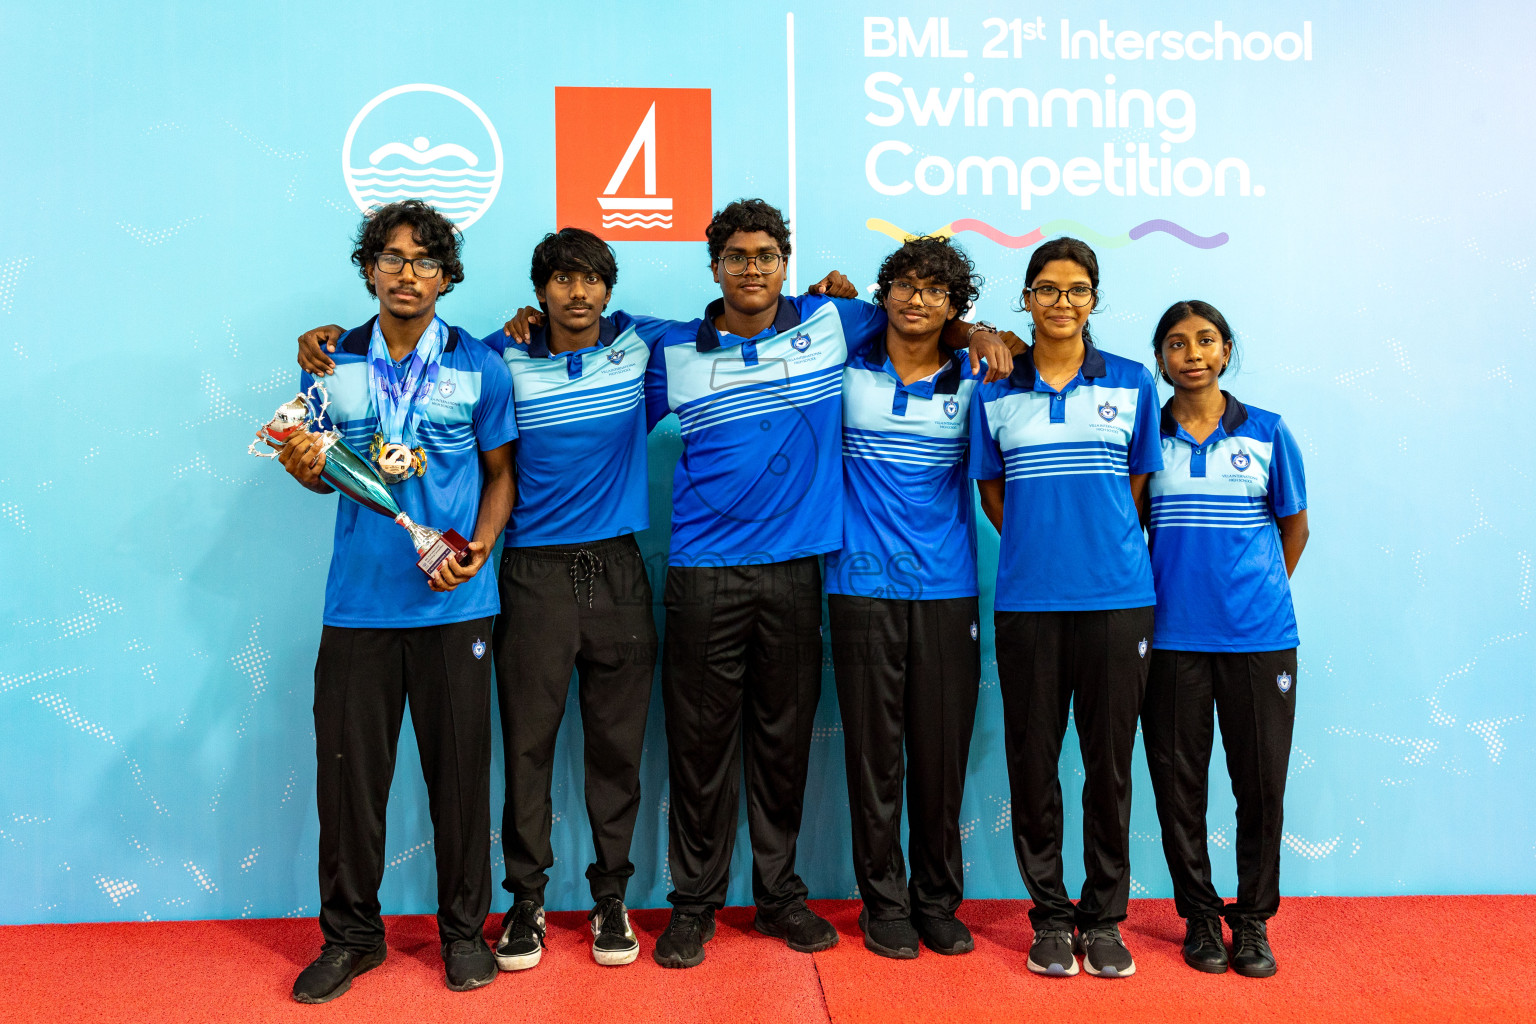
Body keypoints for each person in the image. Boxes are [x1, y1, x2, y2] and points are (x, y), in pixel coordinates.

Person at [644, 199, 1015, 969]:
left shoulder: (830, 323)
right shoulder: (666, 347)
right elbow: (574, 347)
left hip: (799, 575)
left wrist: (979, 331)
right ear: (714, 265)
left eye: (766, 255)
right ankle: (694, 905)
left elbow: (922, 319)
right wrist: (521, 325)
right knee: (701, 748)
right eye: (737, 256)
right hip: (702, 574)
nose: (752, 268)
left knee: (783, 750)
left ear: (786, 262)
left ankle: (779, 896)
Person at [279, 200, 517, 1002]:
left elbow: (500, 475)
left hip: (455, 607)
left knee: (459, 779)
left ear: (447, 275)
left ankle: (462, 936)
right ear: (368, 268)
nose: (407, 273)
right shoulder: (330, 360)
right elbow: (314, 468)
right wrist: (304, 466)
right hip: (357, 608)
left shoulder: (481, 363)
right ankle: (351, 939)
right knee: (347, 784)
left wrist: (481, 548)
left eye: (424, 260)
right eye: (391, 257)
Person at [968, 236, 1161, 979]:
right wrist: (1039, 545)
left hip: (1117, 603)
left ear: (1094, 299)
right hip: (1028, 603)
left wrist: (1093, 544)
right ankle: (1050, 917)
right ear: (1025, 298)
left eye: (1076, 290)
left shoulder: (1132, 382)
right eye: (1045, 289)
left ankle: (1104, 920)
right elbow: (992, 491)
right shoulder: (994, 388)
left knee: (1109, 769)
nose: (1060, 302)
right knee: (1034, 763)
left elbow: (1137, 485)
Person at [825, 236, 987, 959]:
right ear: (883, 293)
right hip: (859, 588)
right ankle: (883, 902)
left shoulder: (978, 380)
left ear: (956, 307)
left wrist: (981, 336)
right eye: (906, 286)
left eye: (936, 291)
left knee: (940, 753)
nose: (918, 300)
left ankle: (936, 900)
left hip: (947, 589)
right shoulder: (842, 367)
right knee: (874, 755)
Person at [1138, 300, 1308, 978]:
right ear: (1161, 361)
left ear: (1228, 349)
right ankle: (1201, 916)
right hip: (1172, 638)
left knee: (1260, 785)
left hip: (1260, 638)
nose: (1193, 354)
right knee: (1179, 785)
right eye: (1176, 344)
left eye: (1206, 340)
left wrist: (1254, 593)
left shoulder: (1266, 431)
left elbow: (1293, 527)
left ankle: (1254, 920)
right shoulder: (1146, 438)